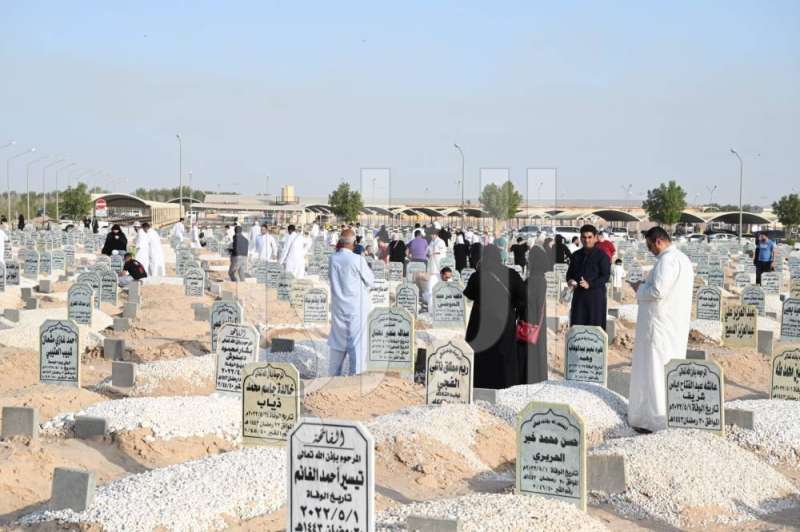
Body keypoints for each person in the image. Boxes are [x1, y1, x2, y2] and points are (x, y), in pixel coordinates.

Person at [628, 226, 693, 433]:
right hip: (672, 325)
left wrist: (639, 288)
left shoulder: (667, 260)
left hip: (659, 326)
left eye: (650, 246)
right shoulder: (682, 259)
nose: (649, 251)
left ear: (658, 241)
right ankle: (661, 416)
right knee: (665, 370)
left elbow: (657, 291)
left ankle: (653, 421)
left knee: (655, 370)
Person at [463, 245, 525, 389]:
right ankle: (506, 384)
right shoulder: (511, 274)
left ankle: (481, 384)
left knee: (482, 354)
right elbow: (523, 297)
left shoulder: (477, 276)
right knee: (504, 354)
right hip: (505, 321)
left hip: (481, 322)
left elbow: (469, 294)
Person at [328, 229, 374, 376]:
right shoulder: (357, 260)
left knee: (337, 345)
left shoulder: (332, 258)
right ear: (354, 243)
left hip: (338, 309)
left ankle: (332, 380)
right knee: (357, 349)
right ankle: (355, 381)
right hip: (356, 310)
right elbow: (371, 281)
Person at [566, 225, 611, 329]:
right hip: (579, 298)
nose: (587, 240)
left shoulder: (602, 256)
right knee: (578, 327)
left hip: (595, 299)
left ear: (595, 238)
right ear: (580, 238)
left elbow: (605, 276)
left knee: (594, 329)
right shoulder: (576, 255)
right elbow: (569, 274)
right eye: (584, 237)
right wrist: (570, 280)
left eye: (590, 237)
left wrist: (590, 284)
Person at [518, 245, 551, 384]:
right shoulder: (541, 279)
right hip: (538, 322)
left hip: (529, 319)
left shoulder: (533, 280)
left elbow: (526, 300)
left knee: (529, 350)